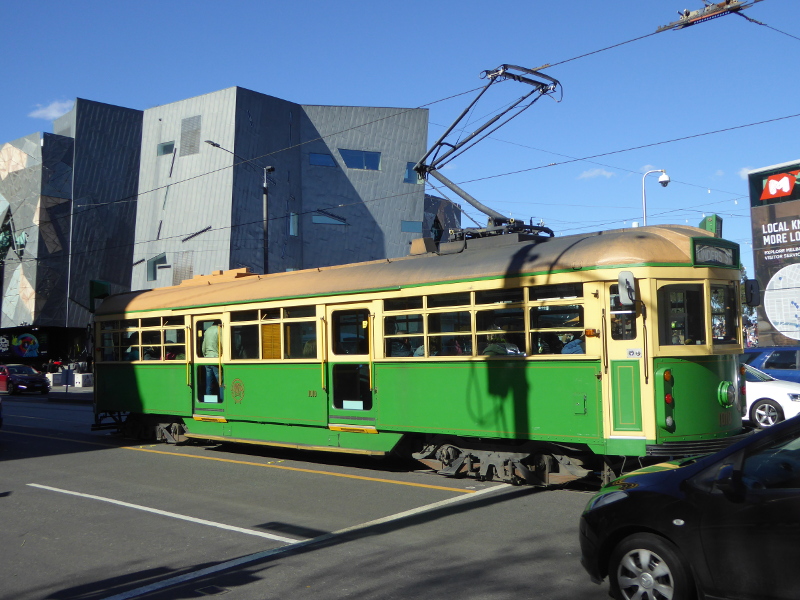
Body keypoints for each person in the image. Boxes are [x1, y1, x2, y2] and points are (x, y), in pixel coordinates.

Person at [202, 321, 221, 400]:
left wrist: (205, 355)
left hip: (207, 359)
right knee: (220, 383)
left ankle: (210, 402)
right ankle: (221, 400)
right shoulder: (219, 330)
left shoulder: (207, 331)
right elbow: (223, 344)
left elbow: (203, 347)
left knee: (209, 383)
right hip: (216, 358)